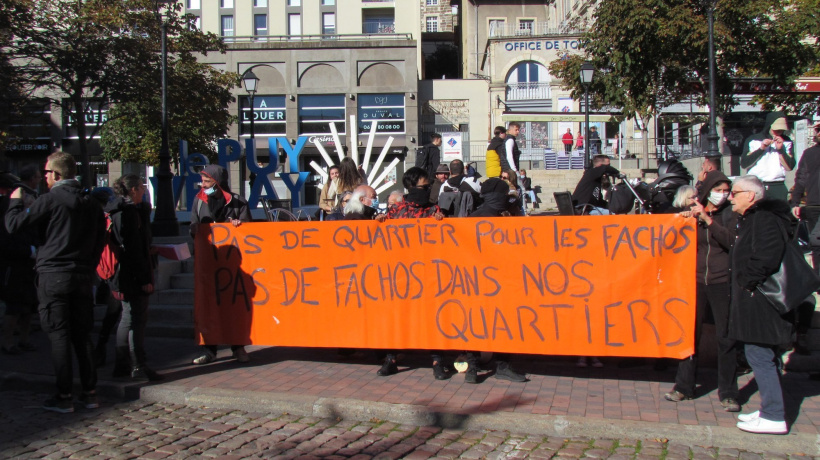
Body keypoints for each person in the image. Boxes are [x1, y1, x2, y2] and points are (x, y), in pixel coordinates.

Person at [5, 151, 106, 413]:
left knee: (59, 336)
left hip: (54, 275)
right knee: (82, 335)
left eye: (47, 172)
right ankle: (90, 392)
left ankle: (64, 396)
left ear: (56, 174)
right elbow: (99, 241)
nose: (45, 177)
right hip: (82, 276)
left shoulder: (50, 200)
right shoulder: (91, 203)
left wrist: (15, 202)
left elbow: (14, 225)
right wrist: (89, 265)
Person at [665, 171, 740, 412]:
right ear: (707, 192)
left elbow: (732, 242)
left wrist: (708, 220)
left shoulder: (730, 214)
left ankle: (728, 392)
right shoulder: (693, 214)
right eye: (719, 190)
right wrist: (684, 220)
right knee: (689, 335)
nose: (724, 194)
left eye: (727, 190)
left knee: (726, 338)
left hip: (721, 281)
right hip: (694, 282)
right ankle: (683, 386)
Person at [728, 175, 794, 434]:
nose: (731, 197)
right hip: (758, 297)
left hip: (761, 300)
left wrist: (746, 282)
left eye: (735, 192)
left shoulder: (763, 219)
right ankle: (770, 408)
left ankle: (774, 415)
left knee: (760, 354)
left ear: (751, 195)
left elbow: (766, 255)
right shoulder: (755, 218)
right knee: (763, 355)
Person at [375, 167, 448, 380]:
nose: (425, 190)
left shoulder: (433, 210)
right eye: (422, 186)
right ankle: (391, 359)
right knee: (397, 318)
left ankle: (437, 360)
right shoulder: (396, 210)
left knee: (431, 319)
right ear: (410, 186)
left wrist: (441, 223)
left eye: (427, 187)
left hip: (427, 276)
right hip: (400, 276)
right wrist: (379, 223)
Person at [462, 178, 529, 383]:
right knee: (482, 324)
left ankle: (484, 366)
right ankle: (482, 365)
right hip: (482, 282)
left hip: (496, 281)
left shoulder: (497, 215)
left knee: (496, 324)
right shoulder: (479, 218)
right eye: (503, 194)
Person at [191, 164, 252, 365]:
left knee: (234, 307)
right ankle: (209, 349)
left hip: (233, 265)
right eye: (203, 181)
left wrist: (238, 225)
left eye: (207, 181)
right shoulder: (199, 202)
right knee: (209, 307)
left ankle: (238, 347)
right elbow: (193, 228)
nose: (203, 185)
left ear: (218, 183)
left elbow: (249, 233)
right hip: (208, 264)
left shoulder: (237, 202)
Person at [104, 175, 162, 381]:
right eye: (141, 187)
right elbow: (133, 248)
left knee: (128, 318)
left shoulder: (116, 209)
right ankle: (136, 364)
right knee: (134, 319)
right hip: (130, 273)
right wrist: (145, 278)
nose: (144, 190)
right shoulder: (127, 213)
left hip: (122, 271)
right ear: (132, 190)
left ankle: (125, 364)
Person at [1, 168, 39, 355]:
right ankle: (7, 342)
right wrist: (29, 251)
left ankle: (23, 339)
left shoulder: (27, 212)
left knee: (28, 305)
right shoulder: (10, 210)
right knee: (14, 306)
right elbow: (7, 239)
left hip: (29, 262)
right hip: (15, 263)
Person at [789, 122, 820, 354]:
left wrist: (796, 200)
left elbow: (800, 179)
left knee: (817, 244)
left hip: (812, 204)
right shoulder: (809, 154)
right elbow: (801, 178)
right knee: (816, 244)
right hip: (813, 205)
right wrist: (796, 201)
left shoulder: (810, 153)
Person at [740, 112, 795, 201]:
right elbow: (744, 164)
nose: (778, 132)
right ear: (769, 126)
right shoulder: (753, 140)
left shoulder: (787, 142)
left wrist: (781, 150)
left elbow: (790, 167)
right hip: (756, 184)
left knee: (779, 213)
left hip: (777, 185)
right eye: (776, 129)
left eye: (781, 130)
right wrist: (761, 149)